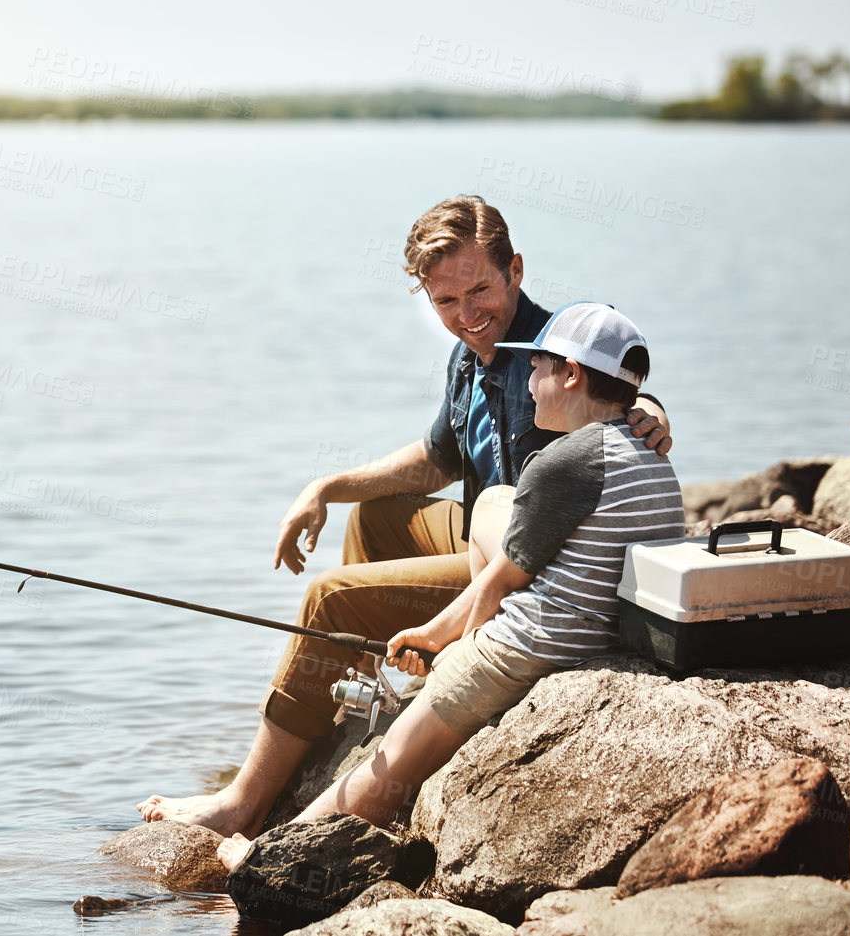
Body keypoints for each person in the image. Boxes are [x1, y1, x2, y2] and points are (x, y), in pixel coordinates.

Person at [137, 197, 671, 840]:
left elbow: (620, 398)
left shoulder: (555, 350)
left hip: (531, 570)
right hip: (486, 531)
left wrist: (656, 412)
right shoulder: (469, 357)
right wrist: (326, 486)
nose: (468, 316)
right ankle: (356, 703)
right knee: (375, 516)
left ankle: (244, 803)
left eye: (480, 290)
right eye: (446, 302)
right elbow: (435, 461)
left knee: (330, 598)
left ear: (515, 271)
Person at [216, 302, 682, 868]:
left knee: (394, 758)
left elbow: (501, 584)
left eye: (536, 369)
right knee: (487, 501)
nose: (529, 386)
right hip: (598, 631)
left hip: (533, 644)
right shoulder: (652, 458)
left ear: (572, 374)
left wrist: (447, 641)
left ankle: (271, 859)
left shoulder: (562, 462)